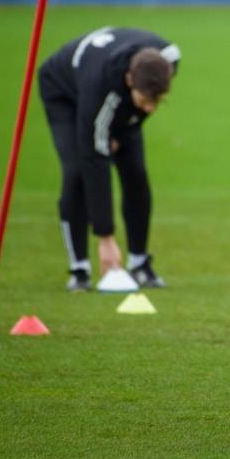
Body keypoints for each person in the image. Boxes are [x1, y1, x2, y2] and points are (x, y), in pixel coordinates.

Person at [38, 27, 180, 292]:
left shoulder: (168, 59)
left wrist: (119, 131)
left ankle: (139, 263)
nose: (151, 108)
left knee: (135, 171)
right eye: (147, 100)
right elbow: (95, 159)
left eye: (158, 100)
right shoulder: (99, 88)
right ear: (129, 80)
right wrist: (106, 237)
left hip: (118, 99)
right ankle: (79, 269)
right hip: (64, 92)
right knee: (77, 172)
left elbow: (140, 105)